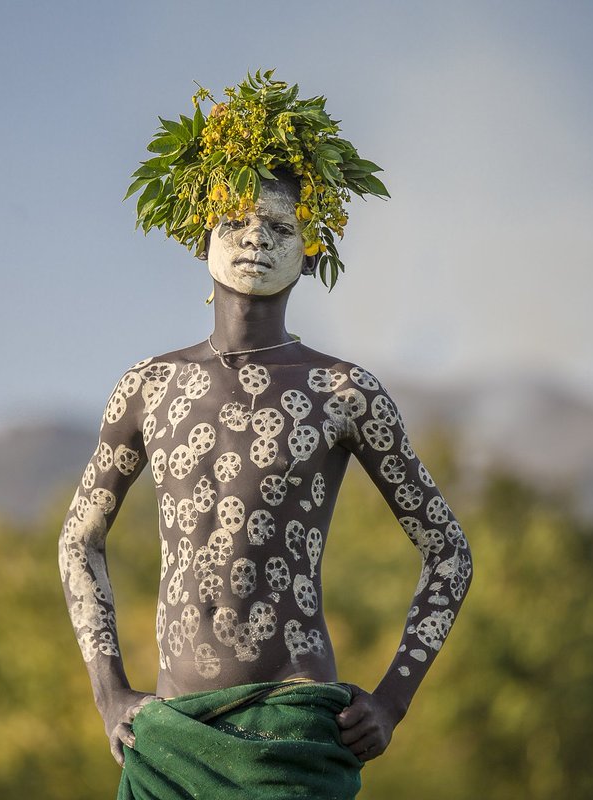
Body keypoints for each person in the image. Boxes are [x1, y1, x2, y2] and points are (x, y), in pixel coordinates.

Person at [59, 71, 472, 799]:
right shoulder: (149, 386)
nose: (256, 238)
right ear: (201, 237)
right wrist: (109, 692)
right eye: (238, 221)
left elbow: (449, 551)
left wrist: (392, 700)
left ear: (311, 253)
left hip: (295, 735)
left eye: (280, 227)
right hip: (172, 738)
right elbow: (77, 540)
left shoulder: (342, 391)